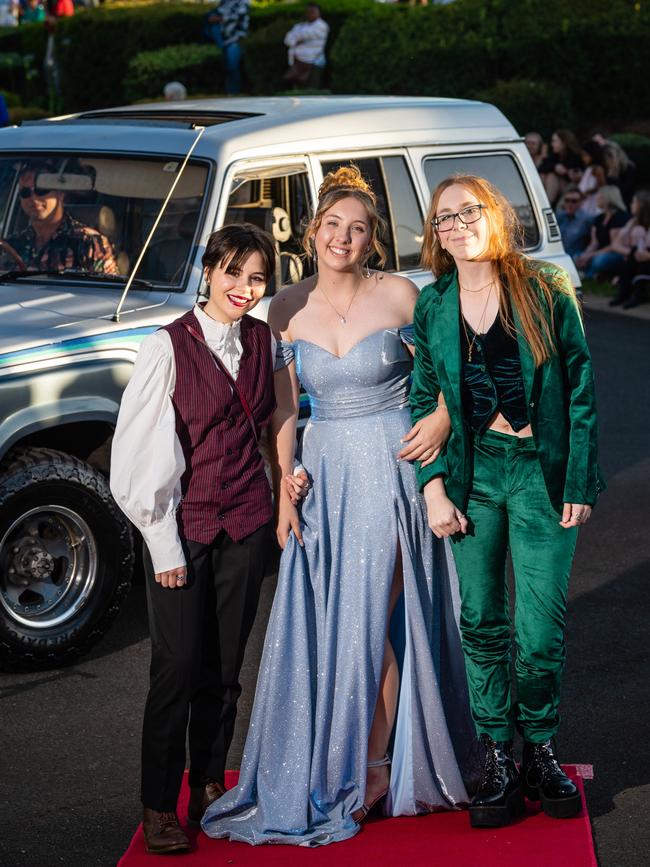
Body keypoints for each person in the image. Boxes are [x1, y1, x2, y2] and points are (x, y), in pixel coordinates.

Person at [202, 165, 480, 846]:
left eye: (357, 228)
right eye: (333, 225)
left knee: (375, 617)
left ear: (371, 240)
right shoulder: (283, 307)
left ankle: (376, 764)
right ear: (312, 231)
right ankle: (349, 756)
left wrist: (442, 418)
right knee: (335, 621)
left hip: (392, 468)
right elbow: (286, 406)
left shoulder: (401, 295)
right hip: (323, 480)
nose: (343, 237)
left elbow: (451, 369)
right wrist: (285, 481)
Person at [411, 174, 604, 829]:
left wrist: (578, 478)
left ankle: (539, 748)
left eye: (469, 212)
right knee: (483, 623)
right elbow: (423, 397)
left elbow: (579, 386)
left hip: (540, 473)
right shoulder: (433, 305)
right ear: (435, 234)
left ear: (495, 216)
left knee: (538, 632)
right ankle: (496, 754)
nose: (458, 225)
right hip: (473, 475)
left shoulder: (546, 288)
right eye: (445, 218)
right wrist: (433, 485)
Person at [110, 224, 281, 855]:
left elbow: (273, 423)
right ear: (208, 270)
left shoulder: (266, 339)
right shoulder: (165, 347)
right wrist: (164, 546)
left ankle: (209, 782)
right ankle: (159, 804)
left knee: (225, 667)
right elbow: (135, 457)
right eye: (233, 272)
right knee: (176, 668)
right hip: (184, 526)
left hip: (247, 522)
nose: (244, 287)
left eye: (257, 277)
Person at [3, 160, 118, 274]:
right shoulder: (11, 246)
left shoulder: (89, 243)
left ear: (61, 193)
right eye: (25, 192)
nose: (34, 198)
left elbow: (110, 291)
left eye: (41, 190)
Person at [576, 184, 628, 280]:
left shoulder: (620, 217)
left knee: (599, 261)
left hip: (614, 253)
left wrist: (591, 255)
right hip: (598, 251)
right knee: (577, 256)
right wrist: (585, 255)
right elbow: (594, 242)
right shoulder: (599, 218)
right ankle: (591, 274)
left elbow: (613, 246)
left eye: (599, 196)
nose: (596, 198)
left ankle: (589, 275)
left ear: (607, 198)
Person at [609, 189, 650, 308]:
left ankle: (637, 293)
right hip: (637, 257)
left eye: (634, 202)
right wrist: (636, 253)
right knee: (635, 253)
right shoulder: (633, 222)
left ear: (641, 205)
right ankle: (626, 291)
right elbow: (615, 244)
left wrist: (645, 254)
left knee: (640, 257)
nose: (631, 205)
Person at [204, 0, 249, 95]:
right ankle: (229, 92)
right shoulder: (224, 2)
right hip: (223, 41)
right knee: (227, 68)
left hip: (235, 39)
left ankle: (234, 92)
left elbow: (239, 16)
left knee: (233, 67)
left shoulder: (242, 2)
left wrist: (220, 18)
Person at [283, 3, 329, 88]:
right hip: (297, 62)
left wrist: (297, 39)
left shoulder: (322, 26)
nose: (310, 14)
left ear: (319, 13)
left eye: (313, 11)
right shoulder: (299, 26)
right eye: (308, 11)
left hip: (314, 62)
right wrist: (297, 40)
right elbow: (288, 40)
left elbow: (304, 35)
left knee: (312, 90)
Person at [539, 129, 583, 206]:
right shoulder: (555, 155)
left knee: (552, 177)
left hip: (572, 187)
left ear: (564, 143)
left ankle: (547, 204)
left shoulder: (575, 156)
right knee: (544, 176)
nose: (552, 144)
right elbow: (541, 168)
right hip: (558, 186)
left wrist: (566, 172)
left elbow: (576, 174)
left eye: (555, 141)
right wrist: (555, 167)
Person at [555, 186, 593, 259]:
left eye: (574, 201)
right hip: (558, 255)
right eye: (567, 200)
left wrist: (584, 255)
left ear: (581, 202)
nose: (570, 204)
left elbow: (593, 242)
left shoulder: (588, 219)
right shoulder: (559, 216)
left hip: (575, 257)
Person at [577, 140, 606, 218]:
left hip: (592, 202)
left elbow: (602, 187)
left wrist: (589, 192)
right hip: (585, 201)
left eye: (585, 155)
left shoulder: (597, 169)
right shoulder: (588, 169)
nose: (583, 159)